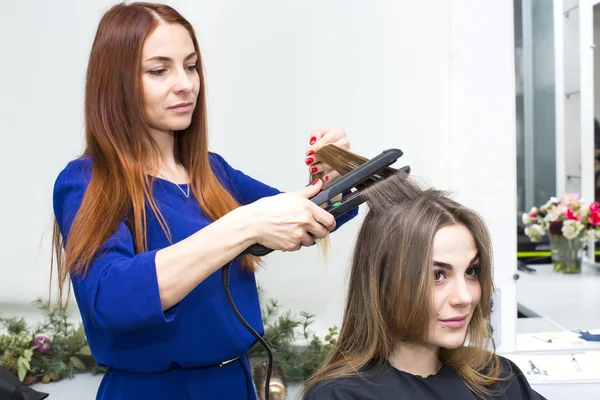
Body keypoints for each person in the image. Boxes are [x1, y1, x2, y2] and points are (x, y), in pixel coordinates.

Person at [51, 2, 357, 399]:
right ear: (116, 82)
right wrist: (242, 225)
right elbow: (110, 298)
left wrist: (330, 178)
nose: (185, 84)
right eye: (159, 70)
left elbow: (309, 217)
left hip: (233, 385)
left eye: (191, 66)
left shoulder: (213, 172)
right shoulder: (87, 181)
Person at [301, 163, 546, 399]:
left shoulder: (498, 378)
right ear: (382, 282)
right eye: (437, 275)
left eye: (471, 271)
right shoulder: (340, 396)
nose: (464, 297)